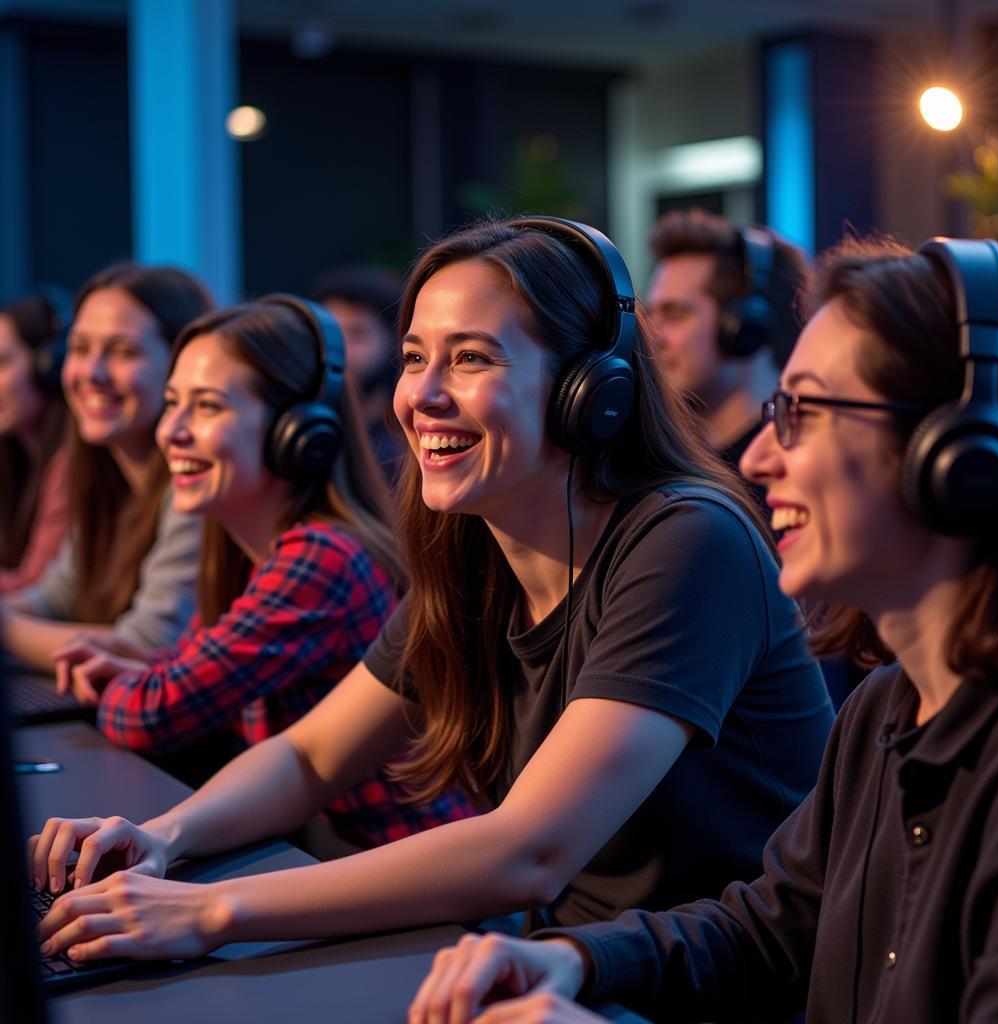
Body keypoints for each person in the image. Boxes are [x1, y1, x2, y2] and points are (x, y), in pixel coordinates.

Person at [30, 217, 832, 965]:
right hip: (564, 977)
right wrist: (165, 837)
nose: (422, 396)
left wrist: (208, 913)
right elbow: (312, 756)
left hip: (700, 989)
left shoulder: (689, 541)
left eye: (473, 358)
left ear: (588, 391)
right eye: (416, 357)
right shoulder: (480, 554)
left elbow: (528, 852)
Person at [408, 235, 998, 1024]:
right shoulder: (882, 712)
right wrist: (573, 960)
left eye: (804, 413)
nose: (762, 457)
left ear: (962, 457)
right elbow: (769, 928)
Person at [53, 296, 473, 842]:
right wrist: (138, 667)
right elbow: (186, 671)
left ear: (297, 434)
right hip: (335, 860)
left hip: (413, 888)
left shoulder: (320, 559)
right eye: (172, 403)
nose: (170, 432)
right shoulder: (257, 555)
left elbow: (150, 715)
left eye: (206, 407)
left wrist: (127, 682)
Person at [1, 263, 213, 670]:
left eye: (124, 352)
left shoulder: (200, 477)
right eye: (79, 349)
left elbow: (150, 645)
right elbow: (58, 598)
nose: (91, 374)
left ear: (183, 368)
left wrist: (5, 628)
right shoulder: (98, 470)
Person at [646, 208, 806, 469]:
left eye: (674, 314)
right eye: (650, 314)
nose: (652, 336)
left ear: (743, 327)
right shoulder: (670, 465)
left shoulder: (794, 468)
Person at [0, 294, 69, 592]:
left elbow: (36, 586)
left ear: (48, 366)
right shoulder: (12, 455)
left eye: (1, 362)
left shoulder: (73, 461)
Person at [308, 264, 404, 477]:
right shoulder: (304, 441)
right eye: (329, 334)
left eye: (356, 335)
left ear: (394, 343)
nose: (339, 348)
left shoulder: (411, 447)